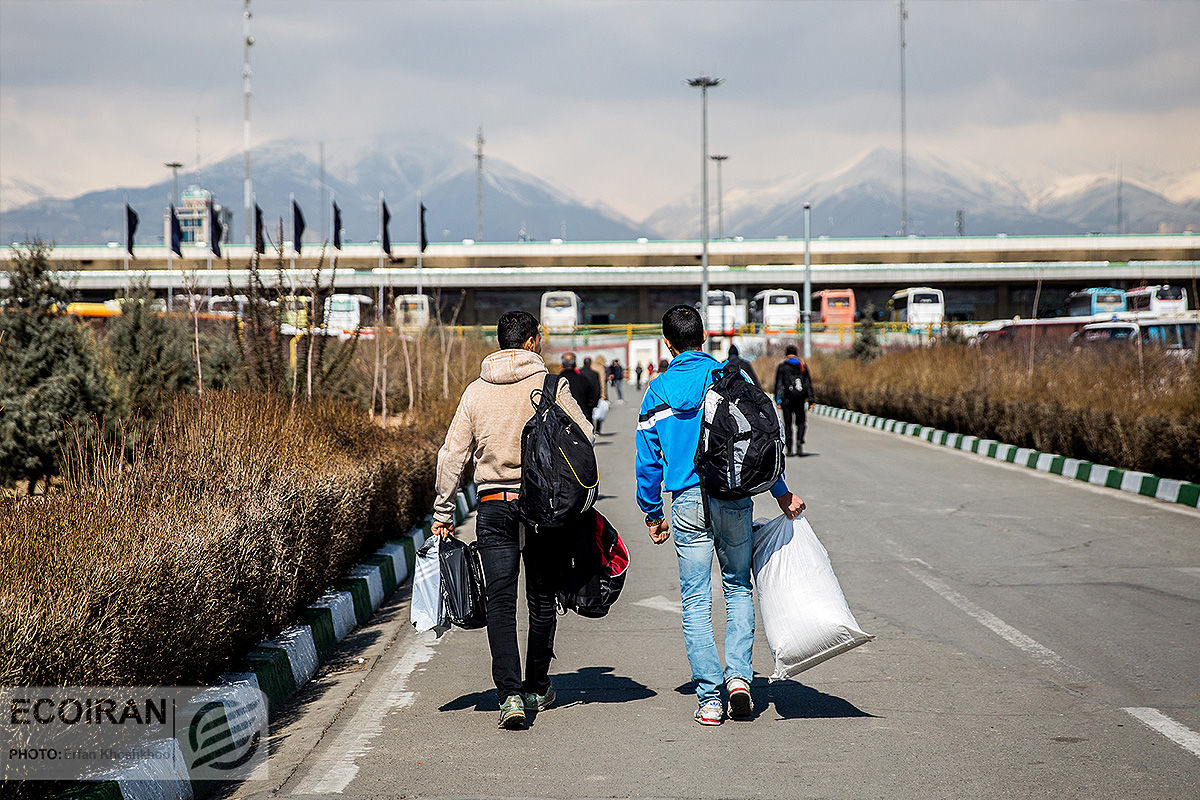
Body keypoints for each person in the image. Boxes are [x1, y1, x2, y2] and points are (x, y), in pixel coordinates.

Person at [635, 305, 805, 727]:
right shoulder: (731, 376)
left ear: (668, 344)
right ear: (704, 338)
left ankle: (710, 699)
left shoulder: (657, 391)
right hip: (732, 497)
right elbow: (760, 439)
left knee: (695, 600)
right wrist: (781, 492)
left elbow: (648, 462)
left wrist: (653, 513)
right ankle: (740, 681)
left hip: (686, 502)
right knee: (738, 588)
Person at [433, 311, 594, 730]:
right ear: (531, 342)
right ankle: (537, 686)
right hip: (544, 509)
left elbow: (452, 455)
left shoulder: (475, 392)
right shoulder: (551, 386)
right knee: (541, 598)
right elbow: (586, 437)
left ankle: (510, 697)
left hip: (493, 506)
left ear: (499, 342)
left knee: (501, 602)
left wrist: (443, 512)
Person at [773, 345, 815, 456]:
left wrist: (778, 400)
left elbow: (778, 384)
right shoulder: (802, 366)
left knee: (788, 424)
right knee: (801, 422)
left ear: (786, 354)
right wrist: (811, 400)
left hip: (787, 399)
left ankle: (789, 448)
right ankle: (799, 441)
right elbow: (808, 383)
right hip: (800, 399)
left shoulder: (782, 367)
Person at [559, 352, 598, 426]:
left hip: (563, 421)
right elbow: (592, 397)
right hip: (583, 417)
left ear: (561, 365)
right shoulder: (583, 379)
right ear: (575, 364)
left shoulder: (556, 381)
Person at [582, 357, 605, 433]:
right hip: (591, 397)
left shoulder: (579, 373)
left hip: (581, 397)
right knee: (591, 413)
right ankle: (593, 430)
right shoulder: (594, 373)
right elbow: (598, 386)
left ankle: (585, 430)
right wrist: (600, 395)